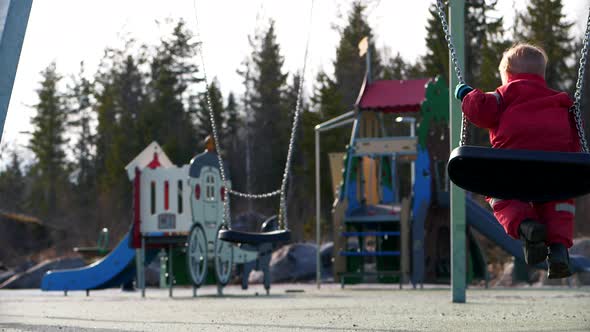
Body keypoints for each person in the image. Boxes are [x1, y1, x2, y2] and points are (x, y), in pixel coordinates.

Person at [454, 43, 579, 279]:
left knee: (498, 194)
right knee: (560, 200)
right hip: (555, 171)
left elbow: (480, 110)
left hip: (512, 171)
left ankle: (525, 225)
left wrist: (467, 95)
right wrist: (574, 164)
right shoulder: (561, 101)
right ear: (541, 75)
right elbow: (574, 140)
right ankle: (559, 248)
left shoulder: (503, 95)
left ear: (508, 76)